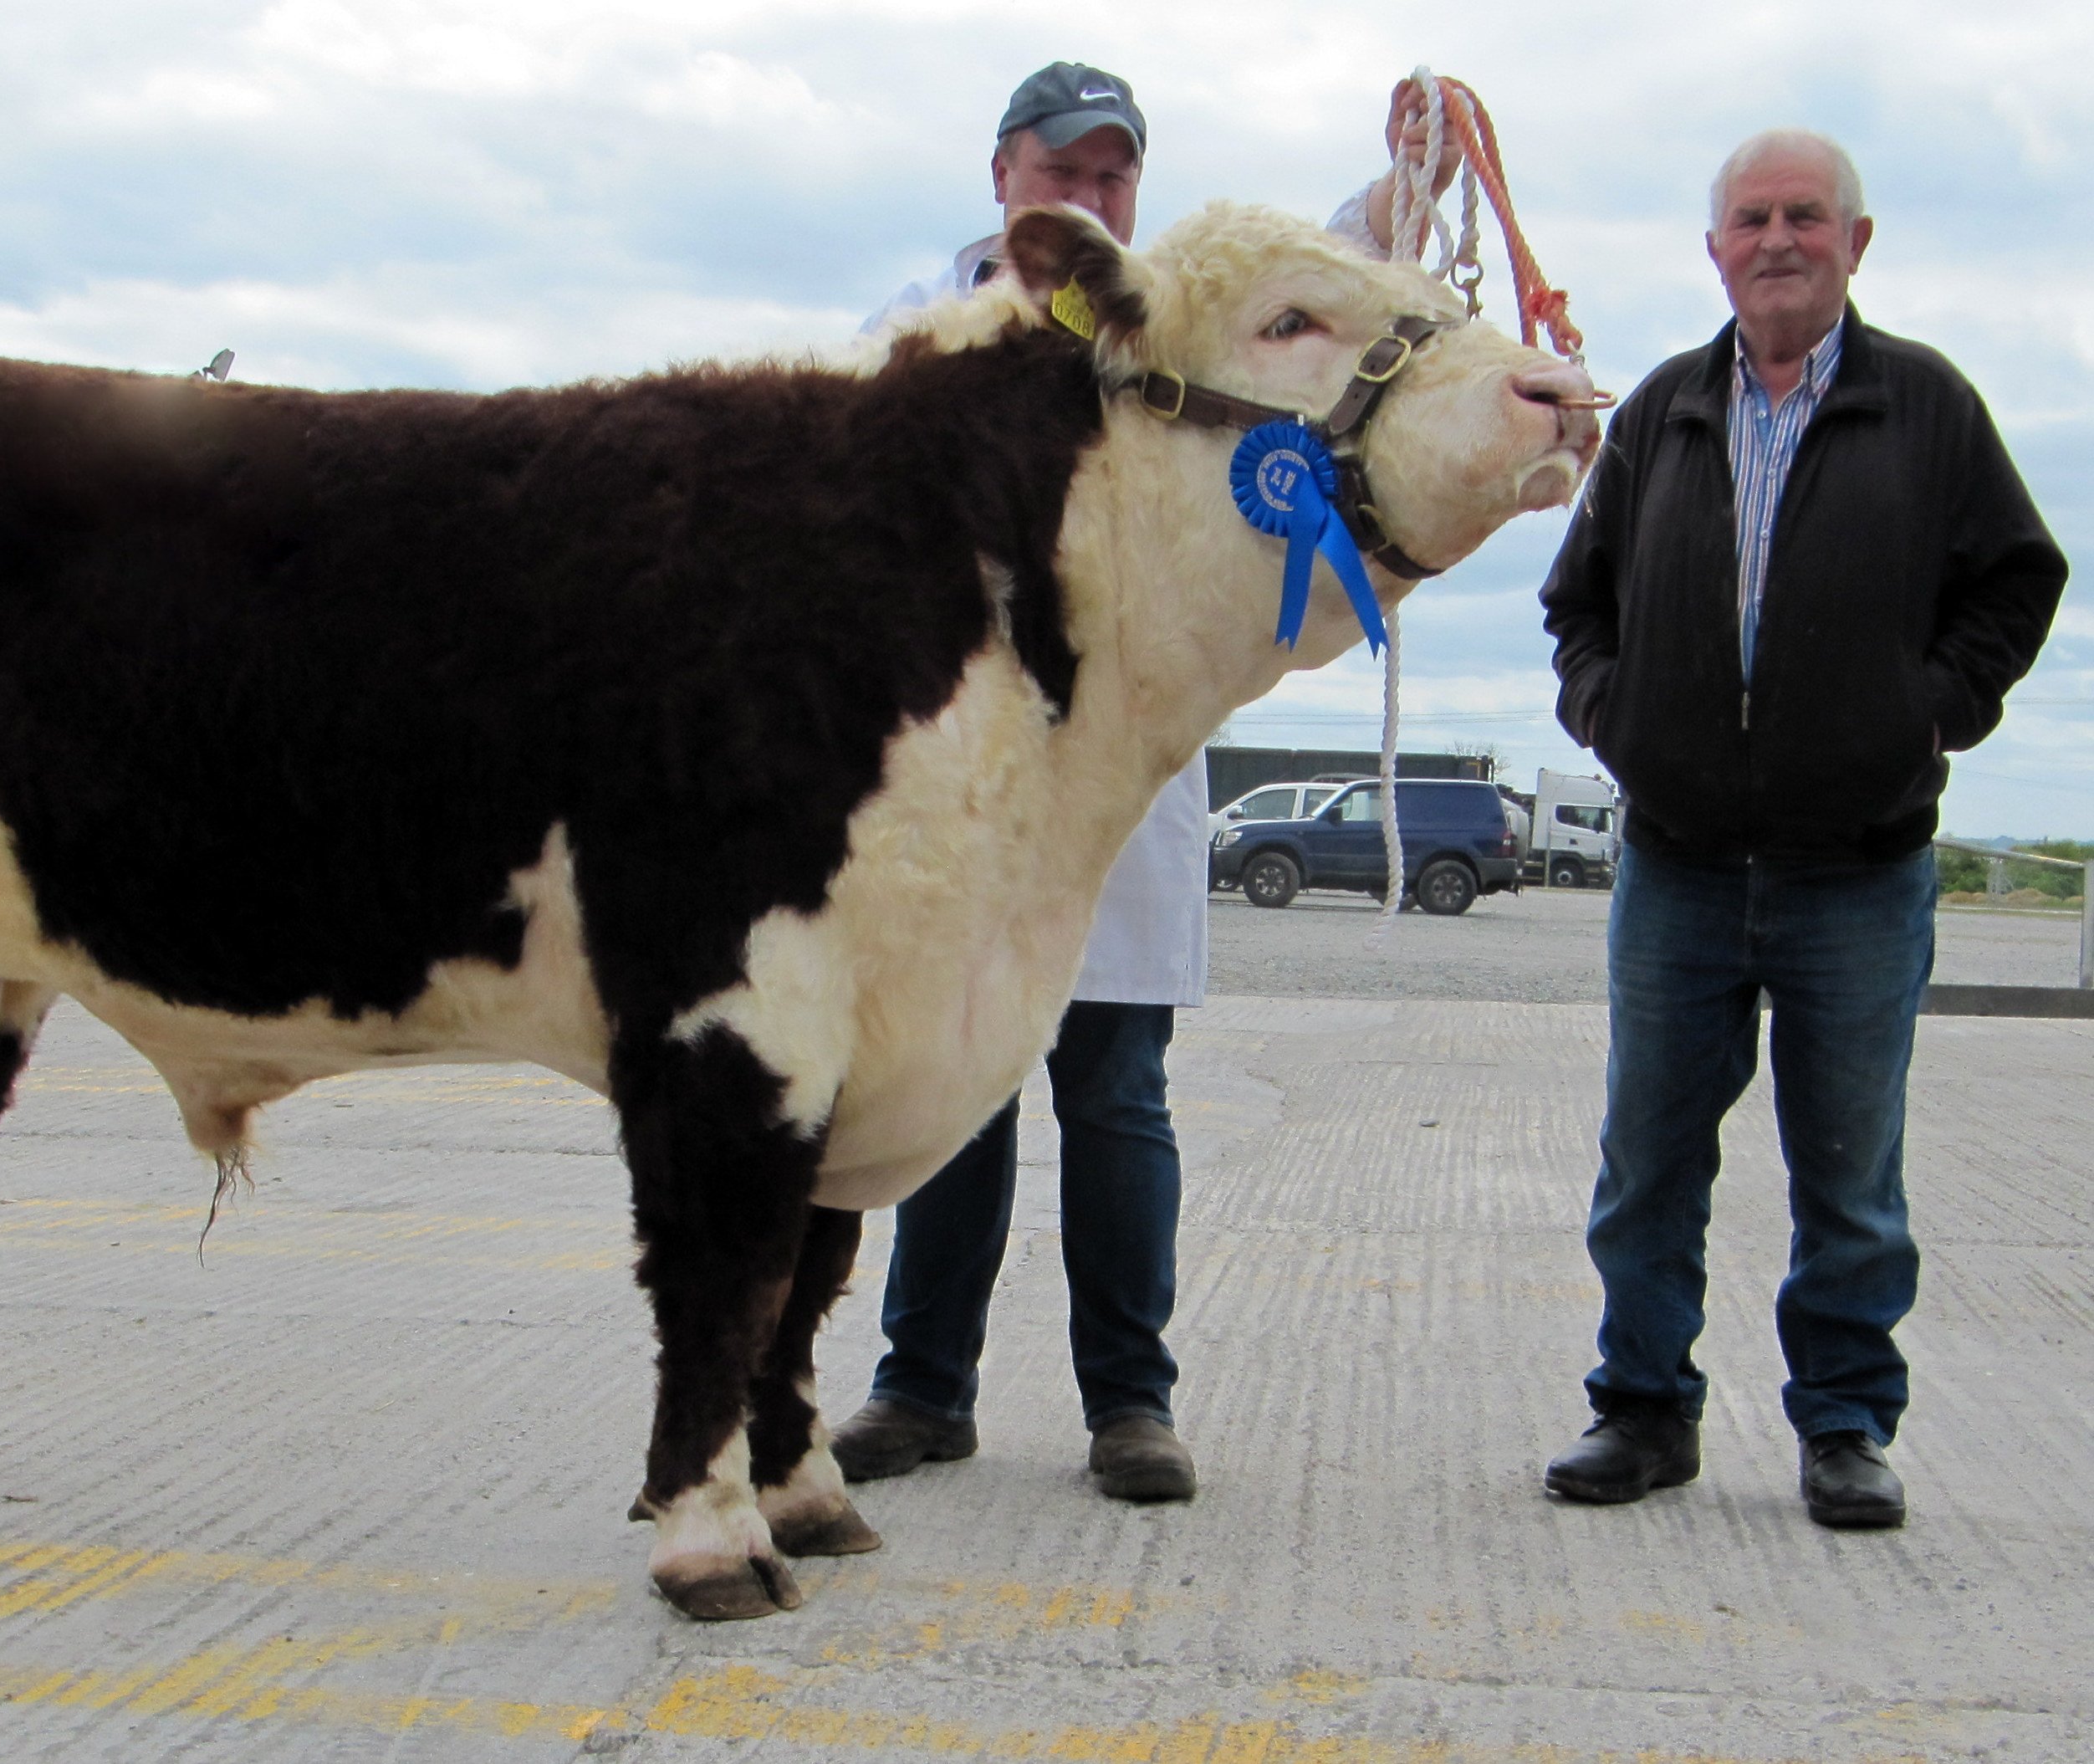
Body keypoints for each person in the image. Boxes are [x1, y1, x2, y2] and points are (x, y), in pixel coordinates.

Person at [832, 64, 1460, 1503]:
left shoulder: (1169, 309)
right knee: (955, 1097)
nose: (1093, 192)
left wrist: (1394, 194)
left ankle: (1132, 1401)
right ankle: (922, 1386)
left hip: (1122, 788)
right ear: (1004, 174)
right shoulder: (908, 330)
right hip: (967, 793)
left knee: (1116, 1098)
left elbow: (1304, 294)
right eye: (1067, 167)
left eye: (1116, 173)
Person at [1536, 130, 2066, 1528]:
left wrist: (1927, 714)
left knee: (1849, 1168)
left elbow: (2019, 579)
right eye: (1753, 218)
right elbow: (1572, 606)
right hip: (1681, 867)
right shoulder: (1659, 413)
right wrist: (1616, 715)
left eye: (1807, 217)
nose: (1779, 238)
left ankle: (1844, 1425)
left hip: (1859, 871)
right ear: (1714, 249)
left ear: (1857, 241)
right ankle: (1642, 1409)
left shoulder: (1931, 409)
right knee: (1648, 1158)